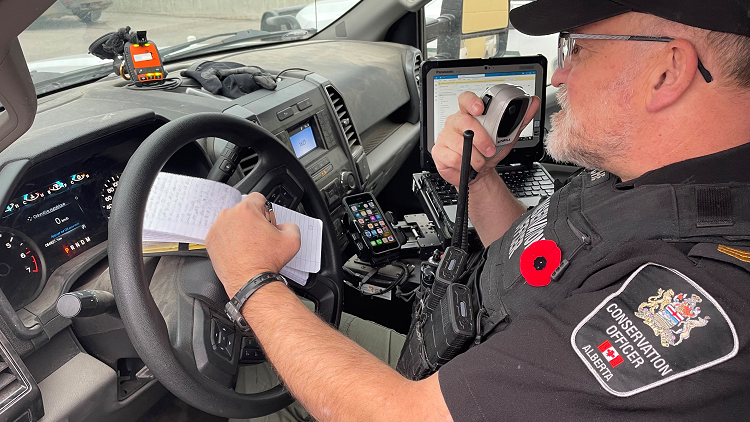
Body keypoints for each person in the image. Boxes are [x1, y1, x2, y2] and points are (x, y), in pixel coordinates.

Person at [205, 0, 750, 420]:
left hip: (421, 398)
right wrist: (480, 182)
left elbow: (402, 416)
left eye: (577, 48)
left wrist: (250, 278)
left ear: (667, 71)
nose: (558, 76)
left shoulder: (709, 290)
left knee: (225, 382)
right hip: (448, 354)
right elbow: (544, 265)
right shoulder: (650, 184)